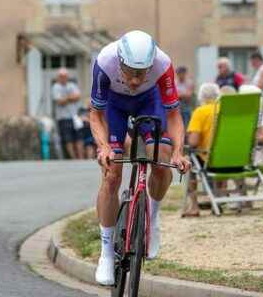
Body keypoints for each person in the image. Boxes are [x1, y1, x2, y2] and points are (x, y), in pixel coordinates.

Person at [90, 30, 191, 286]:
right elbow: (96, 114)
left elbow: (175, 115)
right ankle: (105, 252)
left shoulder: (163, 64)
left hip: (150, 101)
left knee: (161, 158)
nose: (135, 81)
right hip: (114, 105)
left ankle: (152, 218)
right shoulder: (105, 62)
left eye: (141, 73)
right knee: (112, 174)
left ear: (151, 65)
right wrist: (104, 147)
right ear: (120, 62)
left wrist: (179, 151)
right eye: (130, 73)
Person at [182, 82, 220, 217]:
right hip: (232, 160)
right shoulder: (226, 109)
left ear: (201, 97)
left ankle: (194, 206)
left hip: (209, 160)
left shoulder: (200, 111)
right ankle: (219, 199)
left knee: (189, 159)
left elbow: (193, 141)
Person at [52, 68, 84, 160]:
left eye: (65, 76)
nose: (63, 78)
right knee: (68, 139)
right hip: (63, 117)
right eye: (61, 76)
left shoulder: (72, 85)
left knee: (79, 137)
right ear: (58, 77)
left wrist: (66, 98)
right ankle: (73, 158)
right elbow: (59, 101)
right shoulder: (56, 87)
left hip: (75, 116)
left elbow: (78, 96)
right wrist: (70, 97)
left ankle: (80, 158)